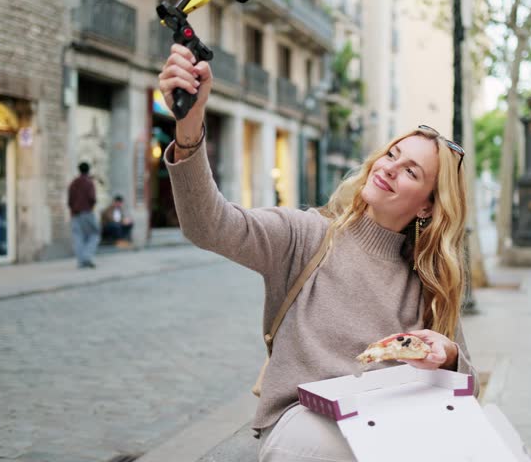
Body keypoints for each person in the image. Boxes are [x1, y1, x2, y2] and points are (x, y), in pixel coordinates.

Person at [159, 44, 480, 462]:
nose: (388, 168)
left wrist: (448, 354)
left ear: (427, 206)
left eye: (410, 172)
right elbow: (209, 225)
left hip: (390, 425)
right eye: (391, 154)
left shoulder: (427, 280)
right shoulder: (306, 236)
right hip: (304, 423)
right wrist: (189, 127)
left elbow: (467, 379)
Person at [68, 162, 99, 268]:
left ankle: (80, 262)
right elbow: (92, 199)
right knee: (94, 234)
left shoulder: (73, 183)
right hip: (86, 212)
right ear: (88, 170)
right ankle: (86, 257)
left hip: (75, 214)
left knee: (78, 237)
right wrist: (90, 208)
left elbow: (69, 201)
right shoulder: (89, 182)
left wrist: (73, 210)